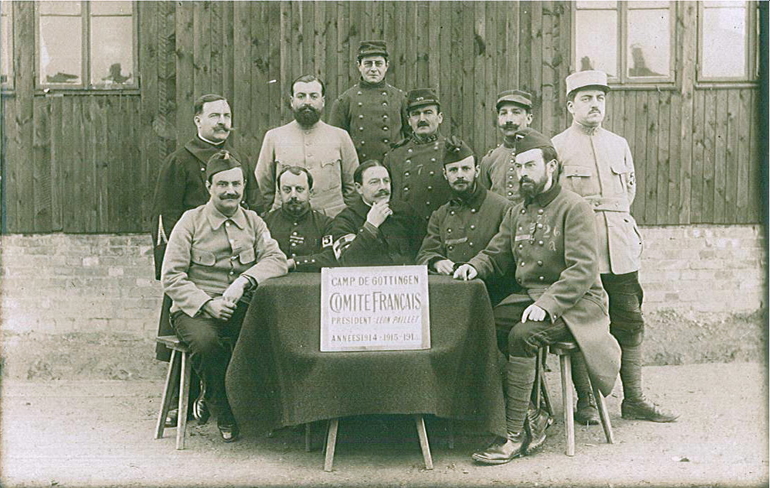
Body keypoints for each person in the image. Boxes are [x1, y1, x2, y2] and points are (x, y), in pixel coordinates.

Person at [454, 128, 620, 464]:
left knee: (522, 335)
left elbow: (583, 270)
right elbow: (496, 252)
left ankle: (514, 436)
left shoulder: (575, 208)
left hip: (577, 303)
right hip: (532, 298)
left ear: (552, 167)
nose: (521, 174)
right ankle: (533, 415)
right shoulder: (518, 211)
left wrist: (547, 305)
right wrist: (473, 266)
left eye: (530, 166)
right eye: (518, 167)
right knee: (478, 327)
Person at [552, 70, 678, 424]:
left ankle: (634, 399)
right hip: (581, 251)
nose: (595, 104)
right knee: (583, 326)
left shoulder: (618, 144)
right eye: (587, 98)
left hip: (620, 249)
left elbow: (629, 191)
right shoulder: (557, 146)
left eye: (600, 98)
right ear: (570, 104)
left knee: (630, 321)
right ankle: (587, 401)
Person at [151, 94, 262, 427]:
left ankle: (239, 401)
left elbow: (253, 204)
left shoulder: (239, 156)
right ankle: (182, 402)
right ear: (197, 120)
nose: (222, 122)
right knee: (199, 338)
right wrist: (173, 266)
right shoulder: (179, 161)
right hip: (194, 266)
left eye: (227, 115)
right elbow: (165, 217)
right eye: (214, 115)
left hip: (234, 270)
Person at [162, 151, 288, 443]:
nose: (230, 191)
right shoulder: (190, 222)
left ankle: (262, 409)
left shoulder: (254, 222)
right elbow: (172, 277)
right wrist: (207, 304)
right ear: (209, 186)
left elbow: (277, 259)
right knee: (207, 345)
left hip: (238, 307)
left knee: (270, 336)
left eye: (236, 184)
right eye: (222, 184)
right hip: (194, 311)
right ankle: (224, 407)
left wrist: (245, 280)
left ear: (244, 186)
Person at [415, 136, 515, 304]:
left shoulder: (503, 208)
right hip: (453, 296)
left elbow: (504, 254)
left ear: (476, 171)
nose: (460, 175)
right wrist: (437, 262)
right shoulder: (440, 215)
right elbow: (425, 253)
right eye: (453, 170)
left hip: (494, 296)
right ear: (445, 174)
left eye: (465, 169)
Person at [256, 75, 359, 218]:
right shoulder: (274, 137)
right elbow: (263, 185)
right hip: (287, 220)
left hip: (332, 220)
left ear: (322, 101)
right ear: (292, 101)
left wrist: (344, 217)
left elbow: (353, 186)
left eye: (313, 96)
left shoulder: (340, 137)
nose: (307, 102)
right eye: (301, 96)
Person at [329, 160, 425, 267]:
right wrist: (370, 226)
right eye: (374, 182)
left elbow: (424, 252)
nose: (383, 187)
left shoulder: (406, 212)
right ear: (359, 188)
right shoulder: (345, 220)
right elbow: (347, 261)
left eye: (386, 181)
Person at [329, 40, 409, 164]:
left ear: (386, 66)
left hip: (393, 168)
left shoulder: (401, 98)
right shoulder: (345, 101)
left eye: (378, 64)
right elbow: (335, 144)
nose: (373, 69)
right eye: (368, 64)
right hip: (359, 170)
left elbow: (411, 141)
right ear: (359, 66)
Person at [383, 88, 453, 223]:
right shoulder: (395, 155)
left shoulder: (452, 151)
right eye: (416, 114)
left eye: (428, 113)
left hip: (440, 229)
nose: (422, 119)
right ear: (409, 120)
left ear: (439, 117)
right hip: (404, 231)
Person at [263, 166, 335, 272]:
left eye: (299, 189)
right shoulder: (265, 222)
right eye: (287, 190)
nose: (293, 195)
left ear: (310, 193)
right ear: (279, 193)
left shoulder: (325, 224)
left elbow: (329, 257)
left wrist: (294, 262)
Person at [479, 90, 534, 205]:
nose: (509, 120)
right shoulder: (490, 159)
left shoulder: (541, 155)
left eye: (516, 112)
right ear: (498, 118)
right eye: (503, 113)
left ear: (529, 118)